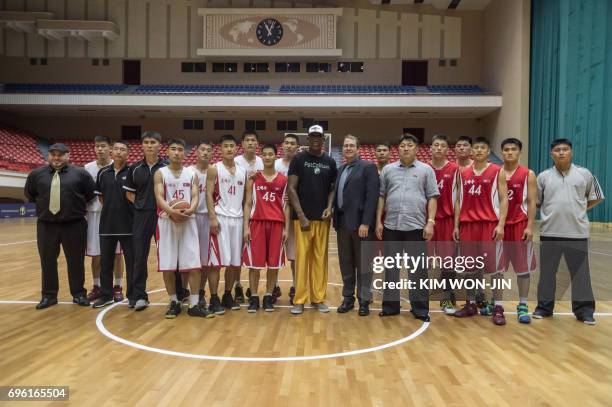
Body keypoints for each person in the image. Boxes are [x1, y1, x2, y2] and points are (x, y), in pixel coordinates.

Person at [534, 139, 604, 325]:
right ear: (552, 154)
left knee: (580, 275)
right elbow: (537, 202)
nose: (561, 153)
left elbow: (596, 197)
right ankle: (544, 308)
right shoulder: (543, 177)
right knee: (548, 273)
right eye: (557, 150)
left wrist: (580, 210)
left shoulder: (584, 174)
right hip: (550, 233)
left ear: (571, 152)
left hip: (577, 233)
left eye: (565, 149)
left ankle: (585, 312)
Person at [376, 133, 439, 322]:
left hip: (416, 227)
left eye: (409, 145)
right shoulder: (388, 170)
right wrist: (379, 221)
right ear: (398, 148)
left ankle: (420, 309)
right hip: (391, 226)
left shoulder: (426, 170)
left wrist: (431, 222)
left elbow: (432, 197)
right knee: (391, 269)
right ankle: (390, 306)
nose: (405, 148)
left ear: (416, 148)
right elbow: (382, 196)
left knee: (417, 270)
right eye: (402, 145)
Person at [25, 143, 95, 309]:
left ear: (68, 156)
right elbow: (31, 195)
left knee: (76, 261)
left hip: (74, 225)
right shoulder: (36, 174)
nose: (56, 158)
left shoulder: (81, 174)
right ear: (48, 156)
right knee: (47, 261)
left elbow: (90, 194)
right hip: (46, 225)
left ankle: (78, 294)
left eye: (60, 154)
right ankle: (49, 296)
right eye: (53, 154)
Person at [154, 138, 214, 319]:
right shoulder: (160, 173)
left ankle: (194, 304)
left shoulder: (191, 174)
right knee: (168, 266)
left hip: (188, 220)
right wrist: (172, 211)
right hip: (167, 222)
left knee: (194, 265)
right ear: (167, 152)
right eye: (173, 149)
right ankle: (174, 301)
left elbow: (195, 196)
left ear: (185, 153)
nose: (177, 152)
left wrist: (190, 209)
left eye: (180, 149)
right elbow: (159, 196)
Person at [453, 137, 509, 325]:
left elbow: (503, 199)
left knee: (495, 269)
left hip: (488, 225)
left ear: (488, 151)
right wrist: (456, 225)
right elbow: (458, 200)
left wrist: (501, 224)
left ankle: (498, 307)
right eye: (475, 148)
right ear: (471, 152)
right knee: (469, 268)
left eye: (482, 148)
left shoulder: (497, 171)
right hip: (468, 225)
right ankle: (470, 304)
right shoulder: (463, 173)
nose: (478, 151)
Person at [288, 124, 337, 315]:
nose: (316, 139)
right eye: (313, 136)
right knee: (301, 261)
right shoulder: (298, 160)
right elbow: (291, 189)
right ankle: (299, 300)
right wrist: (301, 216)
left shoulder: (330, 162)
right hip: (303, 220)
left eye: (319, 137)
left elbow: (332, 188)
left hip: (322, 220)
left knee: (320, 260)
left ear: (323, 139)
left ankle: (318, 299)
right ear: (307, 139)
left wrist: (329, 207)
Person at [333, 135, 379, 316]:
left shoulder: (368, 168)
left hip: (361, 224)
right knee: (346, 263)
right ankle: (348, 298)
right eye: (345, 146)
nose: (348, 148)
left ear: (358, 148)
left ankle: (365, 301)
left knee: (364, 264)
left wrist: (366, 222)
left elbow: (372, 197)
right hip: (342, 222)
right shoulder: (341, 168)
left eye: (351, 145)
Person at [123, 131, 168, 311]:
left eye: (153, 142)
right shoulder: (134, 168)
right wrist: (141, 205)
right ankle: (139, 296)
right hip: (141, 216)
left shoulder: (167, 167)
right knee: (139, 256)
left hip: (163, 216)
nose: (149, 145)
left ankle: (179, 294)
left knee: (168, 254)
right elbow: (129, 193)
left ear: (159, 145)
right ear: (142, 146)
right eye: (146, 142)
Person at [243, 144, 290, 312]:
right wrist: (245, 227)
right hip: (257, 223)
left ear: (275, 157)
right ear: (261, 157)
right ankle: (254, 297)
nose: (268, 157)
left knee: (273, 265)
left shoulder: (284, 180)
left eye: (271, 154)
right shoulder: (254, 178)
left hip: (277, 224)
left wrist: (287, 228)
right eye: (265, 154)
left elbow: (286, 206)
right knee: (254, 265)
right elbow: (248, 204)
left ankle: (269, 296)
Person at [498, 138, 537, 324]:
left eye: (513, 149)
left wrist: (530, 226)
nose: (510, 152)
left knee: (523, 269)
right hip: (499, 226)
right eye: (506, 149)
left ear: (519, 152)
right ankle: (496, 303)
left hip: (519, 225)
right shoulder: (496, 173)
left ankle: (522, 304)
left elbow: (530, 202)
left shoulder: (528, 174)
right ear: (501, 152)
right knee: (496, 269)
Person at [92, 141, 135, 309]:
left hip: (129, 224)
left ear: (128, 153)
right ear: (111, 152)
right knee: (106, 263)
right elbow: (101, 198)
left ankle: (132, 296)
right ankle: (106, 295)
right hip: (107, 225)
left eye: (123, 149)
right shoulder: (103, 173)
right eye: (116, 149)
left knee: (132, 262)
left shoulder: (132, 172)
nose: (118, 152)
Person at [206, 134, 246, 314]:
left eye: (232, 146)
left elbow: (246, 200)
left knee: (234, 263)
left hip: (237, 220)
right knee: (216, 263)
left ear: (237, 149)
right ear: (220, 149)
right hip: (221, 218)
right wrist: (212, 217)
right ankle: (214, 298)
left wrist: (246, 224)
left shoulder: (243, 171)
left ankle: (227, 295)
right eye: (226, 146)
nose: (229, 149)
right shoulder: (214, 169)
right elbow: (208, 194)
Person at [84, 135, 124, 303]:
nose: (100, 149)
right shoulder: (87, 168)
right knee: (96, 255)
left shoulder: (117, 167)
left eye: (103, 146)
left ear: (110, 149)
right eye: (97, 146)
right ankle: (97, 286)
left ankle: (117, 286)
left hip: (114, 216)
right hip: (93, 214)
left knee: (116, 254)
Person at [428, 134, 459, 315]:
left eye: (442, 146)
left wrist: (456, 225)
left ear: (447, 150)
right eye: (436, 145)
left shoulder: (454, 169)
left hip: (446, 221)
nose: (439, 148)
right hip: (426, 222)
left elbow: (457, 200)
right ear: (430, 148)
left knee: (448, 263)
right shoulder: (423, 168)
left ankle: (447, 297)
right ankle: (421, 297)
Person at [233, 130, 264, 303]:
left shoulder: (262, 161)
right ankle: (238, 285)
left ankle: (267, 288)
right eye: (247, 140)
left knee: (257, 251)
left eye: (253, 140)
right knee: (238, 251)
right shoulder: (235, 161)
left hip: (257, 211)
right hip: (238, 210)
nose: (251, 143)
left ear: (257, 144)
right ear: (242, 144)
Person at [274, 133, 300, 304]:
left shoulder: (300, 164)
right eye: (287, 143)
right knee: (274, 253)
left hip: (294, 217)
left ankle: (296, 286)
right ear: (282, 145)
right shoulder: (273, 164)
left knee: (294, 255)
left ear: (297, 147)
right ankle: (273, 286)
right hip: (275, 214)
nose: (289, 146)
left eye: (293, 144)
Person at [188, 141, 213, 308]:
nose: (205, 152)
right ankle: (185, 291)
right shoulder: (188, 171)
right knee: (188, 259)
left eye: (208, 150)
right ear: (196, 151)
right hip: (190, 218)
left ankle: (201, 291)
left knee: (204, 261)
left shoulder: (214, 172)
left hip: (208, 217)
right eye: (202, 149)